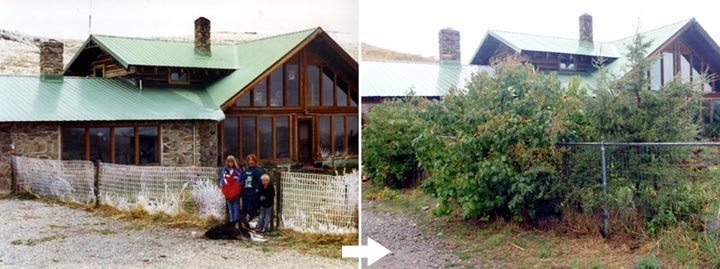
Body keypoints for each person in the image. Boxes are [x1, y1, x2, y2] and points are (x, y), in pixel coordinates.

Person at [240, 154, 262, 225]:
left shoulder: (258, 170)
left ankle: (254, 223)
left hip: (253, 191)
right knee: (245, 208)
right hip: (246, 191)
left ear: (255, 161)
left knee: (252, 208)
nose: (250, 162)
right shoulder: (246, 170)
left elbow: (259, 181)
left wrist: (257, 190)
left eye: (252, 160)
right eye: (249, 160)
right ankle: (244, 223)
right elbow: (243, 180)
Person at [220, 155, 241, 223]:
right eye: (229, 162)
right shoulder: (224, 171)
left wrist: (235, 190)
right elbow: (223, 181)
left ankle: (235, 223)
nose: (230, 163)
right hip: (228, 193)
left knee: (236, 209)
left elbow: (240, 181)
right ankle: (231, 223)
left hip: (235, 193)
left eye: (231, 161)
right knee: (230, 209)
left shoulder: (238, 170)